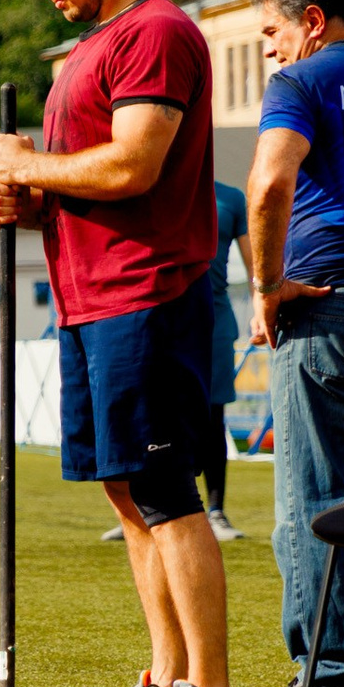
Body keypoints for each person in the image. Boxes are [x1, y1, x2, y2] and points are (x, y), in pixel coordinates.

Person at [0, 0, 236, 687]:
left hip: (148, 291)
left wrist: (31, 164)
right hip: (89, 295)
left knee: (166, 490)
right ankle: (164, 680)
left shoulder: (157, 32)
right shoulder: (90, 49)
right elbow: (82, 181)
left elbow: (133, 165)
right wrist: (24, 196)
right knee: (127, 491)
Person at [243, 0, 344, 687]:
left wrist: (267, 282)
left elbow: (269, 183)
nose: (269, 52)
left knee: (310, 493)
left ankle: (333, 669)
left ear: (312, 22)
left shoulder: (301, 84)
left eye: (272, 33)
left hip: (326, 310)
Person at [106, 182, 247, 544]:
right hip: (154, 318)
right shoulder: (148, 186)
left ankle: (215, 511)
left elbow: (255, 262)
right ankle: (141, 511)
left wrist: (264, 303)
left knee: (212, 417)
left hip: (213, 323)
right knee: (148, 416)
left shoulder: (230, 199)